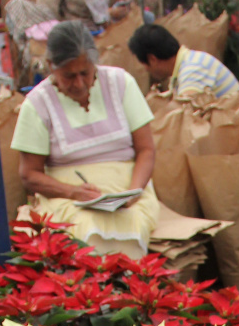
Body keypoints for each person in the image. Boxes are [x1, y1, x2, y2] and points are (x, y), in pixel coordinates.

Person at [11, 20, 159, 260]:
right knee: (87, 228)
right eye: (69, 76)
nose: (79, 83)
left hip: (128, 192)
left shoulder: (121, 83)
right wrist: (72, 192)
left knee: (132, 224)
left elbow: (146, 151)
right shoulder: (37, 104)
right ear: (51, 67)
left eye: (85, 73)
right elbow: (29, 175)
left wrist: (133, 192)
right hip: (68, 200)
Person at [128, 23, 239, 99]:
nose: (146, 70)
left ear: (152, 59)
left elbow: (187, 117)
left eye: (144, 65)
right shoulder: (188, 63)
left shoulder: (193, 70)